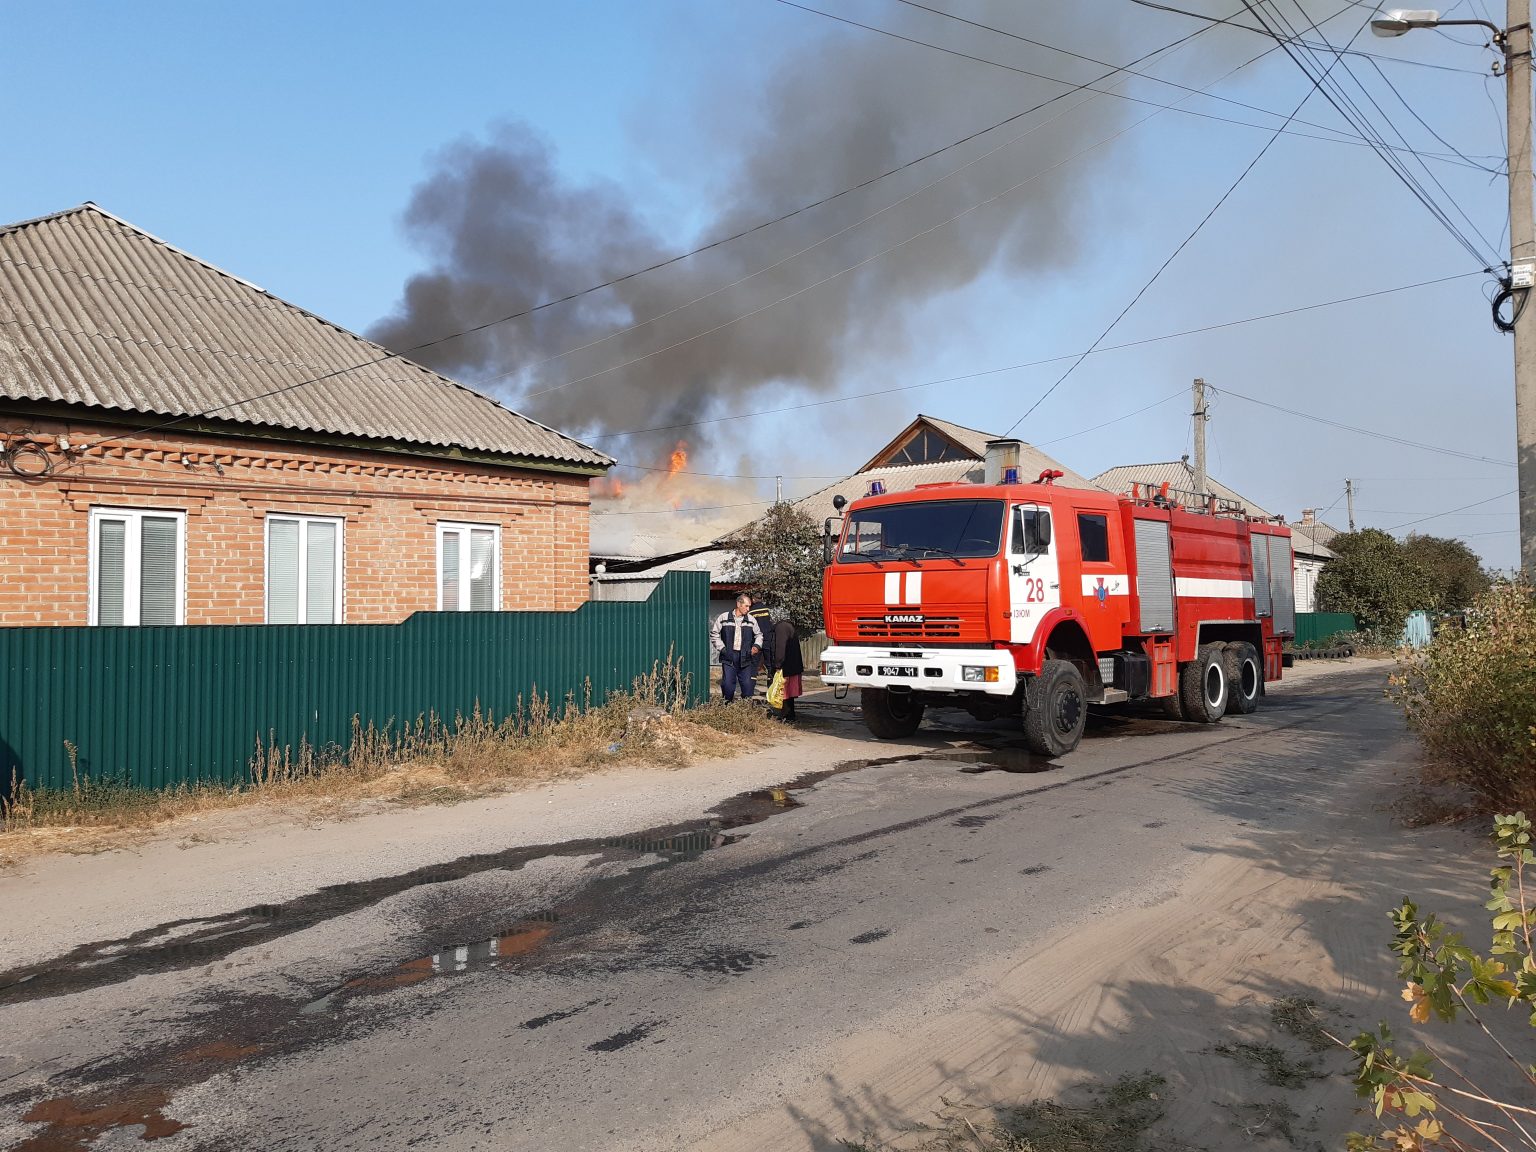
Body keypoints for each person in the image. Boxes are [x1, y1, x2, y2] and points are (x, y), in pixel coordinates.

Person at [711, 594, 763, 702]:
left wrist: (756, 646)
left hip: (746, 656)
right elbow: (714, 634)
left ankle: (745, 709)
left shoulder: (751, 620)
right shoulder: (724, 617)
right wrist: (722, 649)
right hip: (729, 656)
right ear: (739, 604)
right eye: (746, 606)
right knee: (728, 685)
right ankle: (727, 707)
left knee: (748, 686)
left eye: (749, 606)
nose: (748, 609)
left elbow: (759, 635)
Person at [765, 607, 805, 723]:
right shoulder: (788, 625)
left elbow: (780, 647)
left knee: (784, 691)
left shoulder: (781, 627)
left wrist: (777, 664)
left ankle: (786, 716)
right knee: (789, 693)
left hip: (786, 666)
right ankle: (789, 715)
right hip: (793, 665)